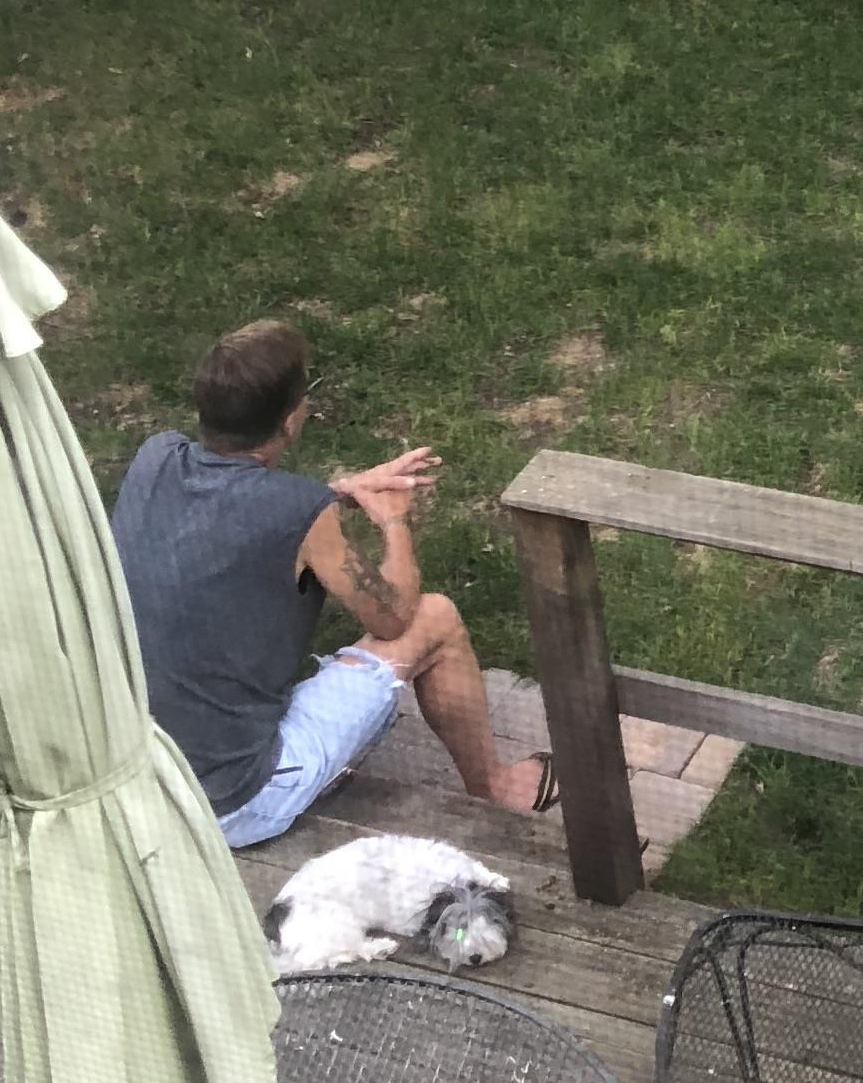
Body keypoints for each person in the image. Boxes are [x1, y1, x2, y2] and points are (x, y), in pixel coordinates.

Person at [110, 318, 555, 850]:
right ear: (291, 420)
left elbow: (233, 513)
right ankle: (496, 788)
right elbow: (392, 615)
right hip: (233, 804)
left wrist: (340, 493)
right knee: (435, 620)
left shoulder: (155, 457)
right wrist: (393, 520)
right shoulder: (298, 512)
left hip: (138, 782)